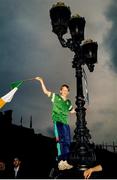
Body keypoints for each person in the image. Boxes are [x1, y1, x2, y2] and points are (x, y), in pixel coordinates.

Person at [35, 77, 76, 171]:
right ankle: (61, 161)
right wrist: (41, 81)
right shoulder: (56, 97)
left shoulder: (68, 102)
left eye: (67, 90)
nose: (65, 91)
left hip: (66, 123)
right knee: (60, 141)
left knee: (67, 142)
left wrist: (81, 109)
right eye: (64, 90)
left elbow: (72, 111)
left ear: (68, 92)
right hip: (58, 121)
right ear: (60, 91)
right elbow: (46, 92)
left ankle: (65, 161)